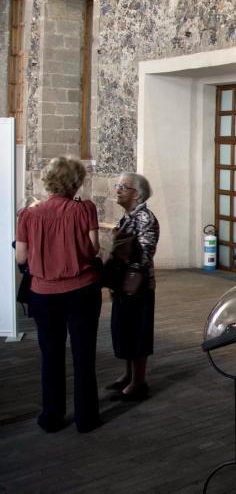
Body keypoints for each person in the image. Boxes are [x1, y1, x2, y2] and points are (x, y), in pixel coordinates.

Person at [15, 157, 102, 432]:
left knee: (51, 355)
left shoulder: (29, 215)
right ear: (75, 182)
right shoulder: (85, 209)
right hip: (82, 291)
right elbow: (93, 249)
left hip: (43, 293)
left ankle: (52, 416)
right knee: (84, 354)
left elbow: (21, 256)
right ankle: (86, 418)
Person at [107, 172, 159, 401]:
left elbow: (146, 255)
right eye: (118, 186)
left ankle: (139, 382)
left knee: (138, 332)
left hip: (138, 287)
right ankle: (128, 375)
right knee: (124, 330)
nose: (118, 190)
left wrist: (123, 254)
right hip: (123, 284)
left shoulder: (145, 218)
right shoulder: (127, 217)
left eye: (123, 187)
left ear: (136, 194)